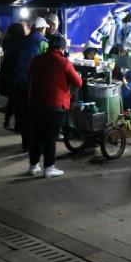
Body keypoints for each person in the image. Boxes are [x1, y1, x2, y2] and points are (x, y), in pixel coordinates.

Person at [26, 33, 83, 178]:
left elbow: (29, 75)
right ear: (62, 48)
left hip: (35, 103)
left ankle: (33, 167)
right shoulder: (64, 62)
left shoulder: (36, 60)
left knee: (36, 136)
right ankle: (49, 168)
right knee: (50, 138)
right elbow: (78, 83)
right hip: (55, 106)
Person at [13, 17, 50, 151]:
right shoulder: (43, 43)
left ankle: (26, 144)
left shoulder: (23, 40)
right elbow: (48, 63)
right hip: (33, 84)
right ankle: (36, 144)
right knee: (36, 115)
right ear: (43, 29)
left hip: (20, 82)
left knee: (24, 114)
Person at [0, 22, 28, 130]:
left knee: (11, 100)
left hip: (8, 75)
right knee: (19, 102)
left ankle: (6, 120)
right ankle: (18, 124)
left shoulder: (7, 42)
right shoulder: (22, 44)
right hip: (18, 76)